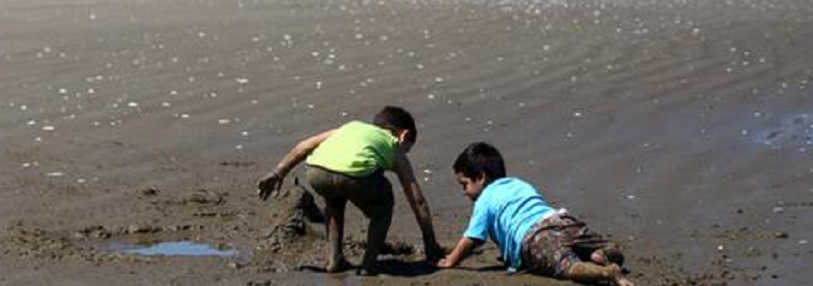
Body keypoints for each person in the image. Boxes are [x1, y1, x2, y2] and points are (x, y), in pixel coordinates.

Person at [257, 106, 441, 274]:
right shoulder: (393, 145)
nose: (405, 153)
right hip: (357, 175)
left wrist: (278, 172)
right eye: (407, 149)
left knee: (334, 202)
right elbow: (418, 201)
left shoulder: (350, 128)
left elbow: (304, 146)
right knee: (382, 209)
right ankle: (369, 264)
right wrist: (430, 244)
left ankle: (334, 259)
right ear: (403, 136)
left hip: (317, 171)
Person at [437, 142, 632, 286]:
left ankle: (607, 272)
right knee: (584, 243)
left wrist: (451, 260)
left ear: (481, 177)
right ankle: (600, 252)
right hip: (561, 220)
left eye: (465, 185)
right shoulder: (519, 183)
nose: (464, 192)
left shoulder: (485, 198)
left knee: (566, 265)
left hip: (536, 237)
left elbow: (473, 238)